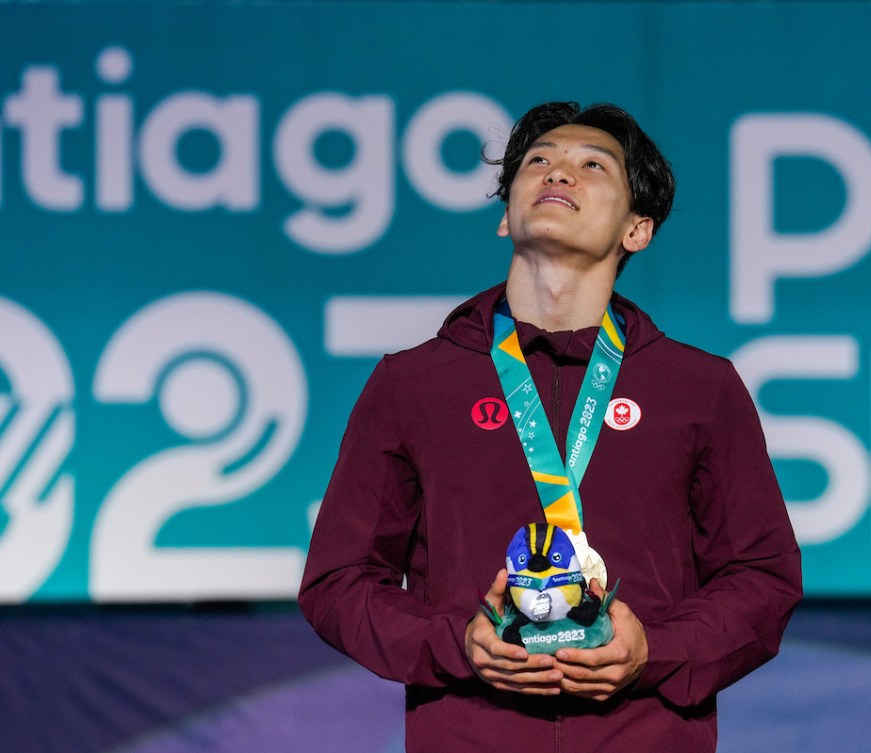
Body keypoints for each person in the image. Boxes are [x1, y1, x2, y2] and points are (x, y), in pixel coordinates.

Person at [299, 101, 802, 752]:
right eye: (538, 161)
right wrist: (459, 642)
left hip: (643, 735)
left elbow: (761, 576)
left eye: (592, 165)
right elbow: (338, 582)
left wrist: (654, 648)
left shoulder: (700, 388)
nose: (558, 173)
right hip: (471, 732)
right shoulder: (413, 382)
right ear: (505, 217)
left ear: (637, 228)